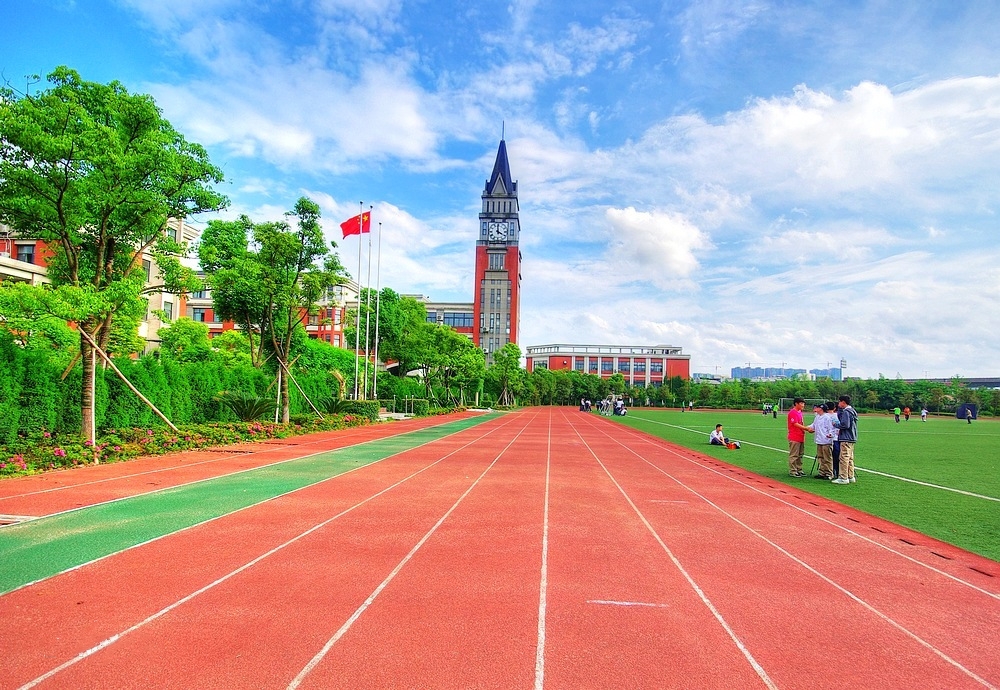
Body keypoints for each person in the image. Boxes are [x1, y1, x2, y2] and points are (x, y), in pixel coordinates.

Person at [832, 395, 858, 484]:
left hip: (846, 437)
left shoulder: (847, 412)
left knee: (844, 457)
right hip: (851, 437)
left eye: (839, 402)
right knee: (850, 458)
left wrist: (836, 425)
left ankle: (843, 477)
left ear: (843, 402)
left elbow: (845, 425)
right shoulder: (852, 411)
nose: (838, 404)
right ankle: (850, 476)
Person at [808, 403, 835, 479]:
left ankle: (829, 473)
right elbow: (813, 425)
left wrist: (830, 434)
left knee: (827, 458)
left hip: (826, 441)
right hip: (819, 440)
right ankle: (822, 472)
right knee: (820, 457)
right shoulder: (817, 417)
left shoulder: (827, 417)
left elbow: (831, 428)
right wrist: (806, 428)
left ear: (821, 409)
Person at [786, 398, 811, 477]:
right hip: (794, 436)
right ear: (796, 404)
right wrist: (806, 428)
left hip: (800, 436)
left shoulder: (799, 412)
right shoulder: (793, 412)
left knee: (800, 454)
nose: (803, 405)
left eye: (803, 403)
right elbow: (795, 424)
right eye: (801, 403)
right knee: (794, 454)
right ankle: (793, 471)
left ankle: (799, 469)